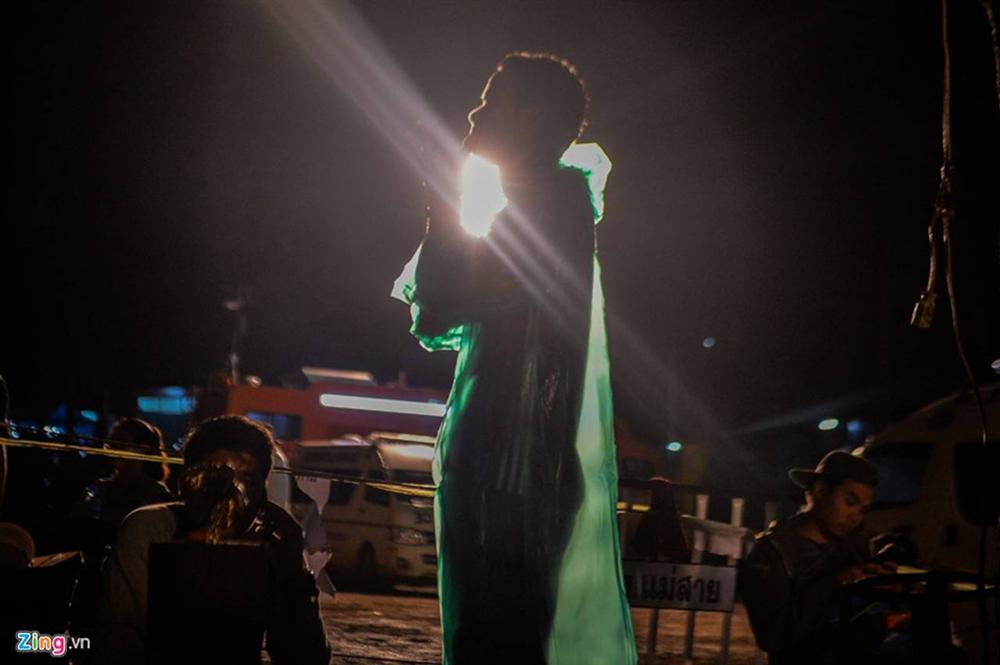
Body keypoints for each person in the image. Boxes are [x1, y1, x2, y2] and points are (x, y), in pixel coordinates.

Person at [394, 52, 635, 665]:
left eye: (492, 101)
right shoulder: (540, 202)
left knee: (493, 639)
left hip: (511, 470)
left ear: (531, 116)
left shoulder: (551, 203)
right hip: (506, 465)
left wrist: (440, 195)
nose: (474, 115)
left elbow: (443, 304)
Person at [95, 415, 330, 665]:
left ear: (263, 495)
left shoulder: (273, 539)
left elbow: (308, 657)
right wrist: (194, 554)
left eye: (249, 481)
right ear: (184, 484)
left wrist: (294, 578)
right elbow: (123, 644)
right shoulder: (152, 528)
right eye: (216, 479)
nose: (231, 495)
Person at [739, 450, 896, 664]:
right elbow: (773, 636)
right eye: (850, 502)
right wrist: (838, 582)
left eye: (864, 509)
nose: (856, 517)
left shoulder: (854, 545)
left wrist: (888, 581)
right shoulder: (771, 552)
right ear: (821, 490)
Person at [75, 418, 173, 528]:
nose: (112, 448)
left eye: (120, 441)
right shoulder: (99, 488)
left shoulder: (156, 493)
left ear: (143, 448)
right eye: (110, 443)